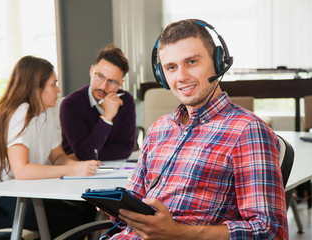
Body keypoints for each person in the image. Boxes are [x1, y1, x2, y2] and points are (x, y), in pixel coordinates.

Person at [109, 19, 288, 239]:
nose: (181, 76)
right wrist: (115, 206)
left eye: (192, 62)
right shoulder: (159, 129)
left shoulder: (247, 131)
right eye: (171, 67)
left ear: (218, 62)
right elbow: (135, 199)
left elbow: (270, 231)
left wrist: (179, 233)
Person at [0, 55, 100, 238]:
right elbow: (22, 171)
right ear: (36, 87)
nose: (58, 89)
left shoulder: (44, 114)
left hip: (8, 194)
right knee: (68, 216)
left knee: (86, 207)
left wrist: (79, 166)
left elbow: (58, 157)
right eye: (53, 83)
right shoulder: (20, 112)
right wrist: (73, 171)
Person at [60, 44, 136, 161]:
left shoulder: (126, 101)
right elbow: (84, 154)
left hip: (114, 170)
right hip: (77, 174)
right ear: (91, 71)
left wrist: (88, 153)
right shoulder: (71, 104)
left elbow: (126, 148)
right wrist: (107, 117)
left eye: (111, 81)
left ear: (120, 83)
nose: (103, 86)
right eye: (100, 76)